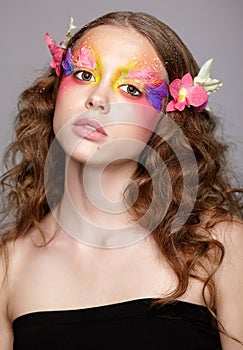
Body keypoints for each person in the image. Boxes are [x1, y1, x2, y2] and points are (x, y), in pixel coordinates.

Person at [0, 11, 242, 349]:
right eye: (84, 73)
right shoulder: (9, 268)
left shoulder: (221, 247)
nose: (97, 98)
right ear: (56, 91)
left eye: (131, 88)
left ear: (165, 120)